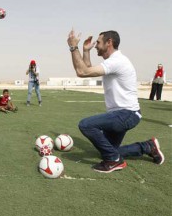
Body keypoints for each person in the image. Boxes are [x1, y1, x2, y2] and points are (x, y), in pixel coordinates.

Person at [67, 29, 165, 173]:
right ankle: (147, 146)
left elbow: (82, 72)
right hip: (123, 114)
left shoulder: (117, 61)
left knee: (86, 125)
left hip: (126, 114)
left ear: (109, 43)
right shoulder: (112, 61)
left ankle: (113, 161)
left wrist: (73, 47)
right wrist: (85, 51)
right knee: (109, 150)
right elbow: (87, 69)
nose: (95, 46)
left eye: (98, 43)